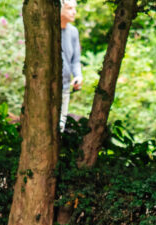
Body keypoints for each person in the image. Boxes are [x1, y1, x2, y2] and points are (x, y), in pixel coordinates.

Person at [59, 0, 82, 131]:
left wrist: (78, 76)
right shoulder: (48, 32)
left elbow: (75, 60)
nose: (74, 12)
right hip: (47, 89)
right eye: (69, 8)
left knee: (60, 127)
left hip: (65, 89)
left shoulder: (73, 32)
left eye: (75, 8)